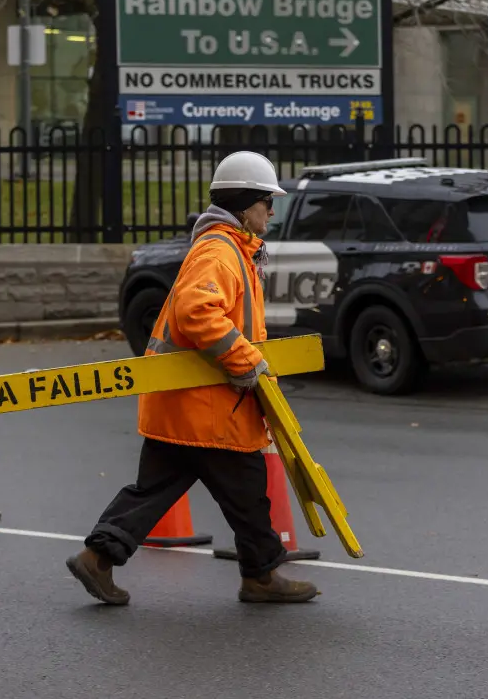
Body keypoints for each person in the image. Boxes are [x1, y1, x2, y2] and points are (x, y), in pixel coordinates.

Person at [66, 150, 319, 605]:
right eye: (266, 202)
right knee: (248, 496)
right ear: (245, 205)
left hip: (182, 405)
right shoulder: (220, 252)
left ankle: (96, 557)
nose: (271, 211)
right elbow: (198, 312)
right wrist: (247, 362)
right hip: (209, 410)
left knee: (154, 491)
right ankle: (260, 576)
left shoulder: (228, 248)